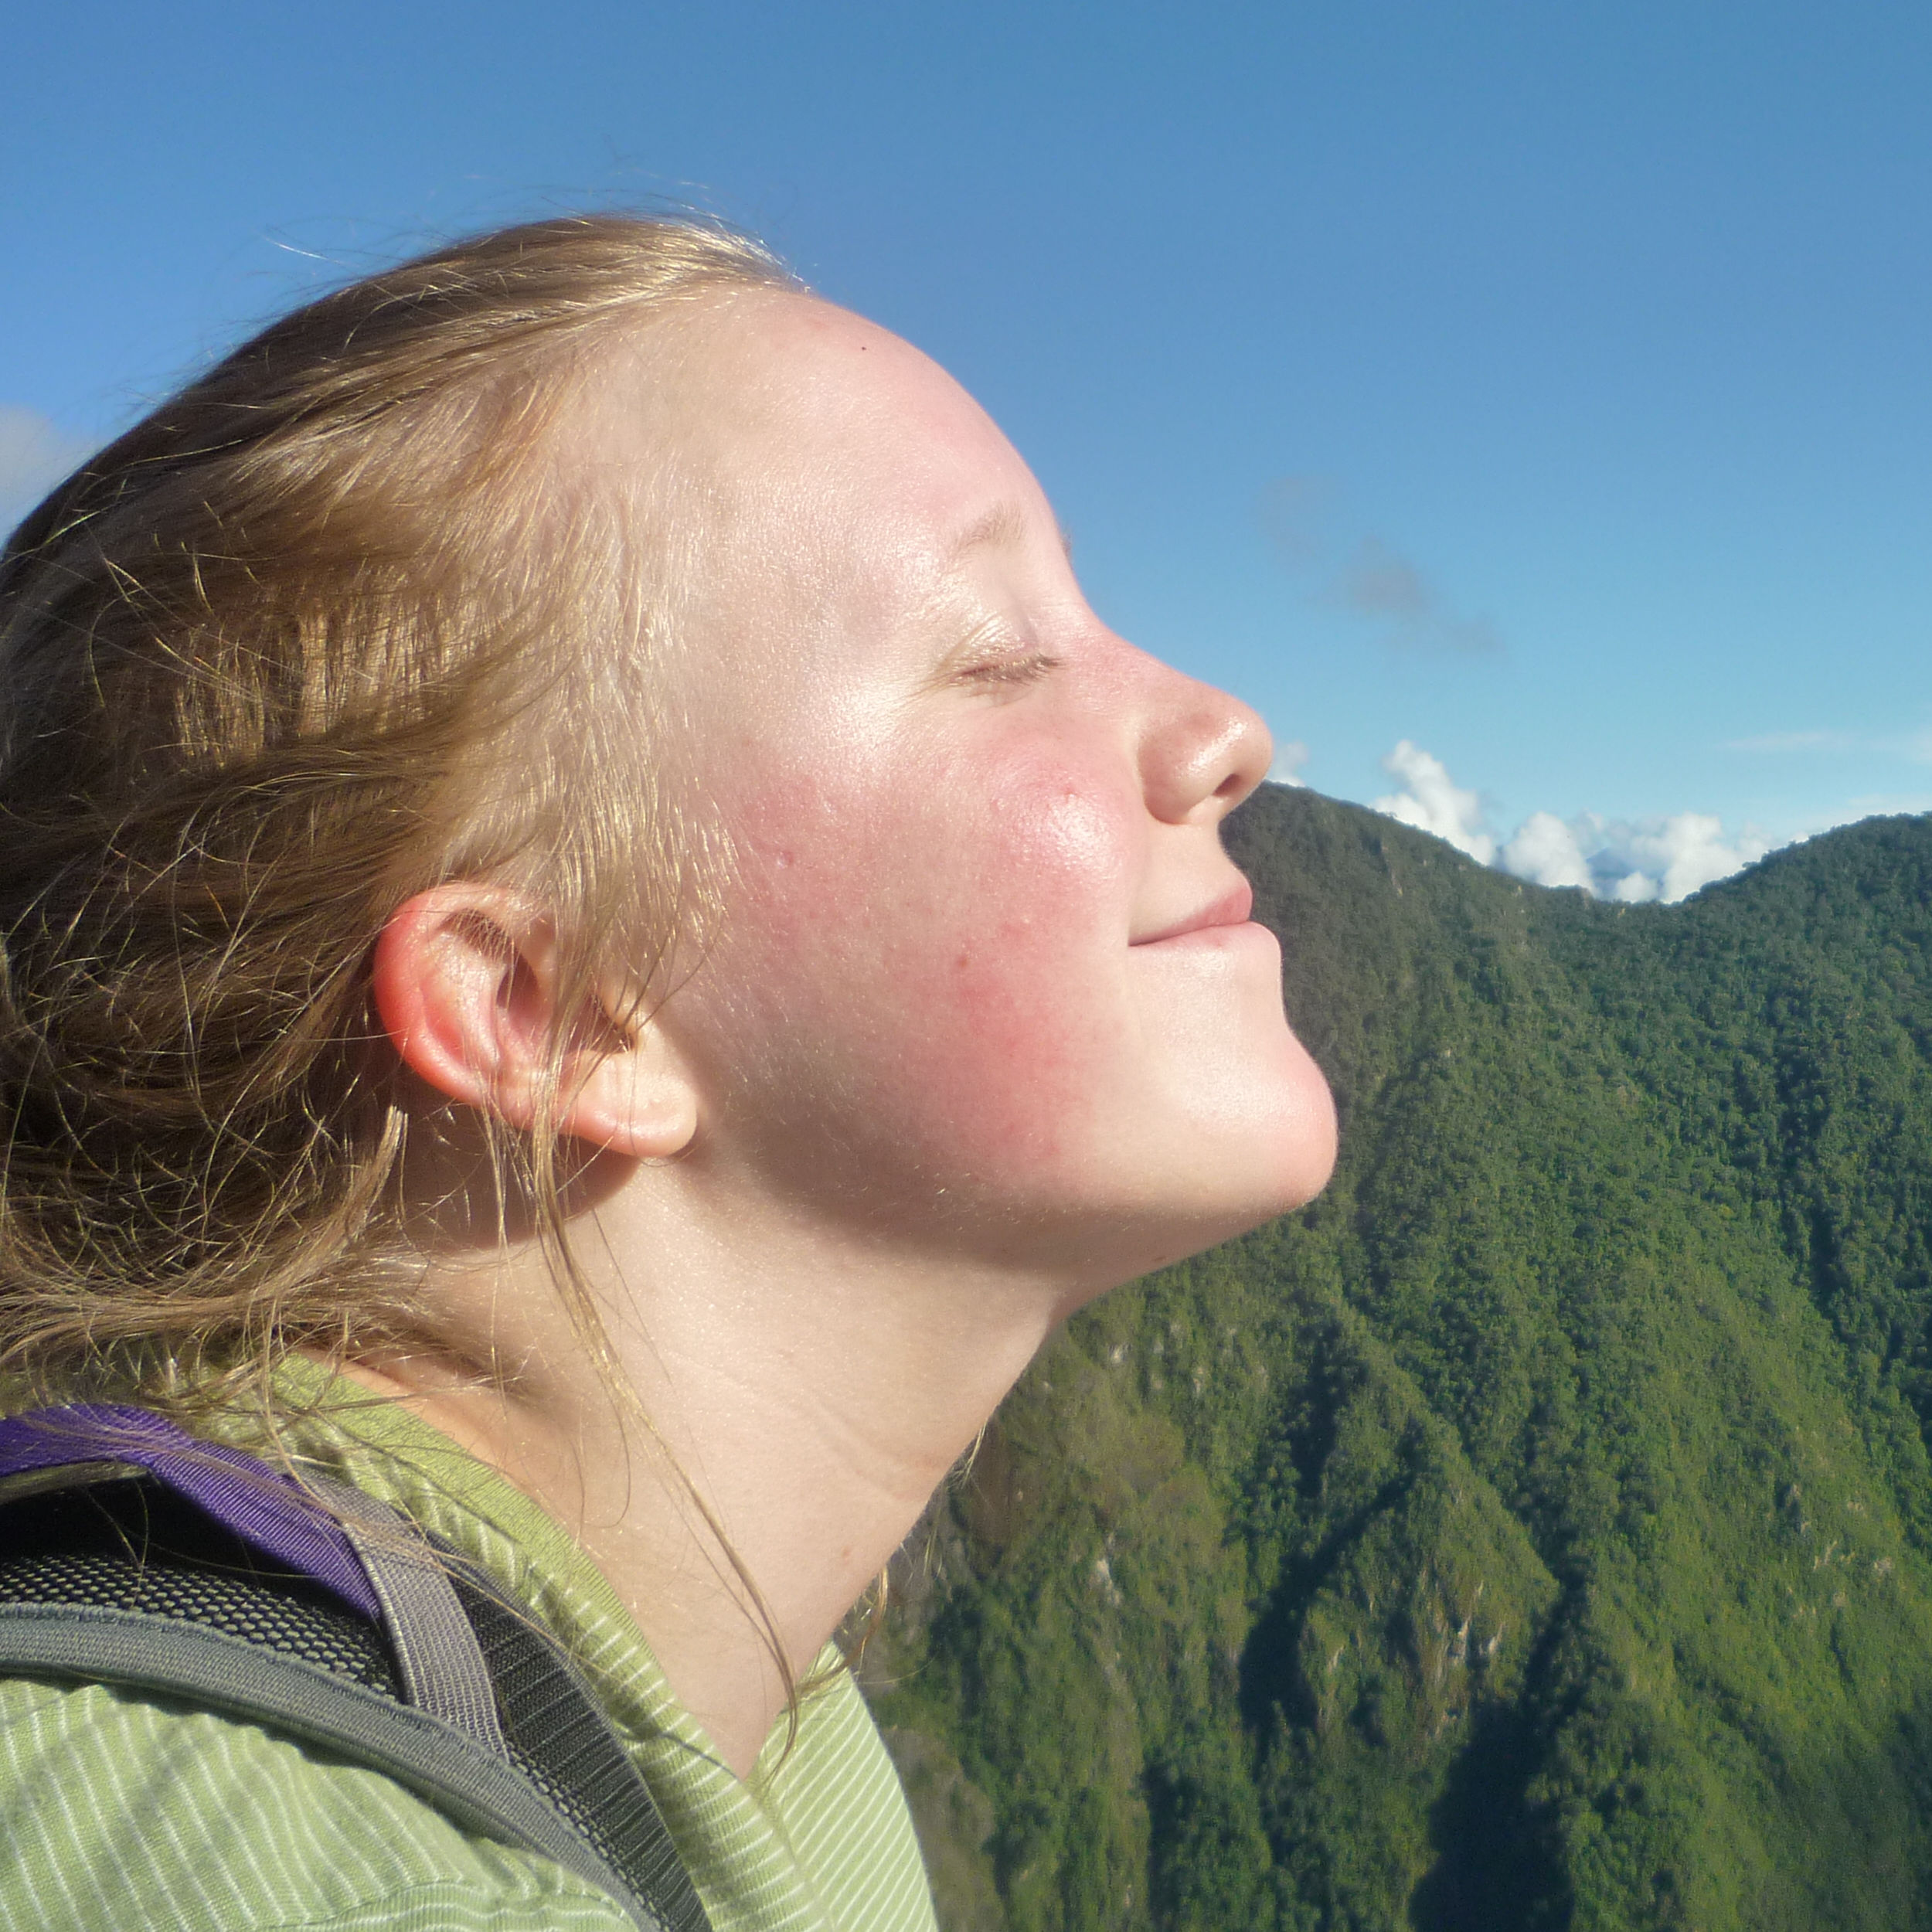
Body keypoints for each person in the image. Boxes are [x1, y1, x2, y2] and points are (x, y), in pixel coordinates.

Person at [0, 214, 1337, 1931]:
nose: (1228, 725)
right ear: (548, 1013)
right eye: (993, 657)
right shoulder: (381, 1889)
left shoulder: (750, 1720)